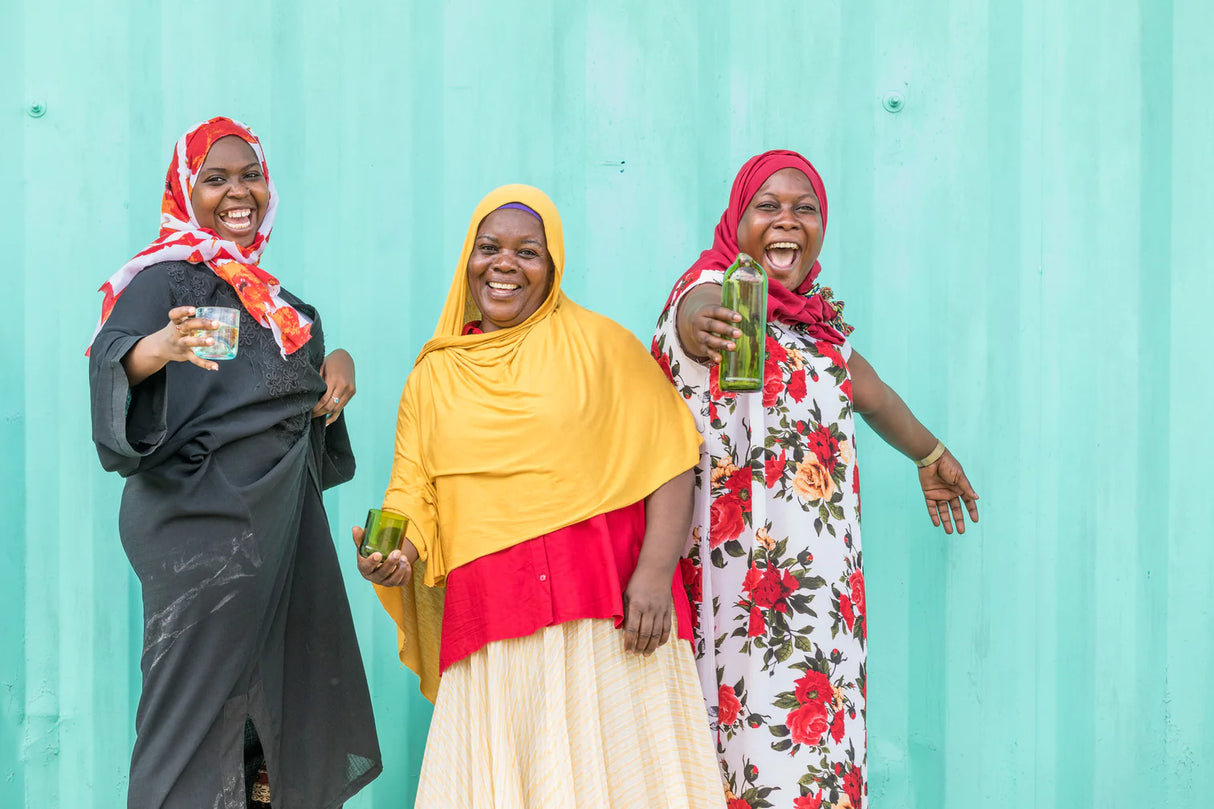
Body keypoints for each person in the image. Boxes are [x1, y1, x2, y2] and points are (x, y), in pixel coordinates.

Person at [357, 184, 726, 809]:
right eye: (488, 248)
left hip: (606, 612)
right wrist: (394, 554)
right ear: (468, 261)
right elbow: (412, 491)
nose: (504, 264)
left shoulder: (602, 346)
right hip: (496, 618)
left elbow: (671, 454)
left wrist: (656, 574)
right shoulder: (434, 375)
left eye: (528, 251)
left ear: (553, 266)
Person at [650, 150, 980, 809]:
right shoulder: (709, 293)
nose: (788, 221)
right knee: (738, 755)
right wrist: (704, 318)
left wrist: (928, 452)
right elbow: (698, 312)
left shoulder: (813, 326)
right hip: (737, 588)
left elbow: (875, 396)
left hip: (820, 598)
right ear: (736, 219)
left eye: (806, 209)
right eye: (767, 207)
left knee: (817, 766)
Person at [88, 117, 381, 809]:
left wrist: (336, 363)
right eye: (214, 178)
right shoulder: (162, 278)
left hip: (278, 524)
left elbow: (292, 391)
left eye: (249, 174)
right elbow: (113, 354)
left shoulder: (277, 301)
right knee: (190, 714)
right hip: (201, 522)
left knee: (276, 704)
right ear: (186, 190)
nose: (237, 191)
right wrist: (154, 351)